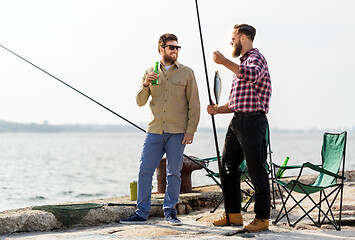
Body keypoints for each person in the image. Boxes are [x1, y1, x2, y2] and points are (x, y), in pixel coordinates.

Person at [120, 33, 200, 225]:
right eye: (171, 47)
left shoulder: (187, 73)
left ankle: (170, 212)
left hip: (178, 131)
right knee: (144, 170)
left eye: (177, 48)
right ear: (161, 49)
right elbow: (140, 101)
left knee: (174, 172)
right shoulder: (150, 71)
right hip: (154, 130)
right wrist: (145, 83)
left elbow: (194, 104)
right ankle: (141, 212)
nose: (175, 51)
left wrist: (190, 131)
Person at [207, 24, 272, 232]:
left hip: (253, 123)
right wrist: (217, 110)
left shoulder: (256, 59)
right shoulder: (241, 65)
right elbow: (236, 103)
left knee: (256, 170)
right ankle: (233, 215)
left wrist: (225, 62)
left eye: (234, 38)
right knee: (227, 165)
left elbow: (251, 74)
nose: (231, 42)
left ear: (244, 37)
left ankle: (262, 218)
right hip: (237, 122)